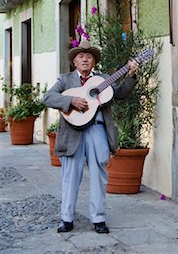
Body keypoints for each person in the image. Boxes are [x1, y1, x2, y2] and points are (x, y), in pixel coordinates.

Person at [44, 39, 138, 235]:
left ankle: (99, 219)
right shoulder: (65, 79)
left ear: (94, 61)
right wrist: (71, 100)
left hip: (97, 130)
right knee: (71, 175)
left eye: (89, 56)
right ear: (75, 62)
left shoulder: (103, 79)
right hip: (73, 132)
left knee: (99, 175)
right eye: (81, 56)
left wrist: (131, 75)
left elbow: (119, 93)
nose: (85, 59)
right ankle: (66, 218)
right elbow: (48, 97)